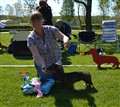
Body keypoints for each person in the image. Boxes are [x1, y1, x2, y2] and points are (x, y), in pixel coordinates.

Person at [27, 11, 70, 80]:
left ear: (42, 20)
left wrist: (66, 41)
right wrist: (43, 65)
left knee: (60, 79)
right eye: (33, 21)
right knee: (50, 80)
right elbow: (36, 55)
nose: (36, 23)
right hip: (42, 62)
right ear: (31, 23)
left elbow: (63, 37)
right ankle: (40, 72)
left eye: (38, 20)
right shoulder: (31, 38)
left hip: (55, 60)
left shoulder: (50, 29)